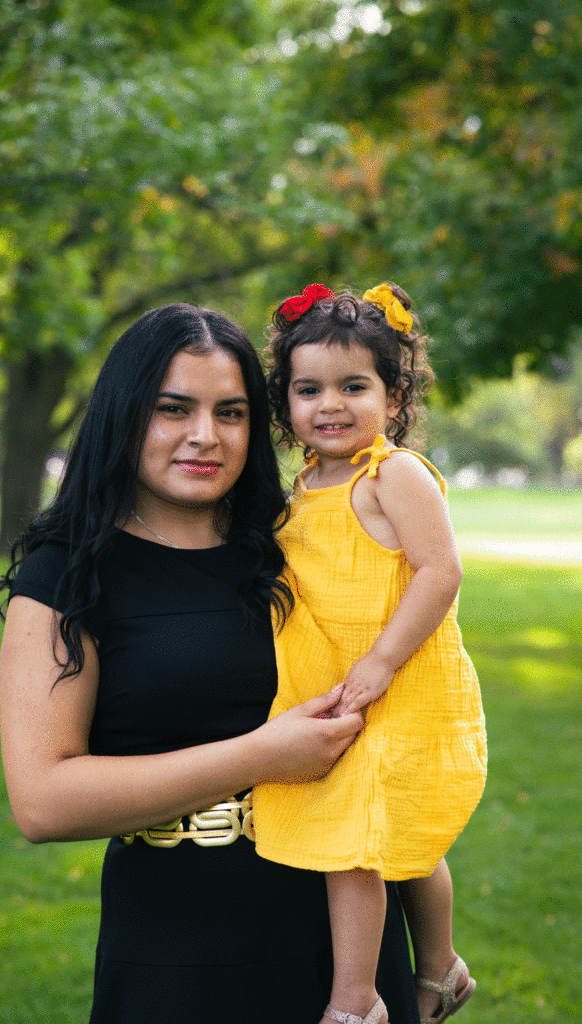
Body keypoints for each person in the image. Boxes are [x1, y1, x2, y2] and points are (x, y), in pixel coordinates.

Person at [0, 302, 421, 1024]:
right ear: (124, 415)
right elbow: (42, 801)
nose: (204, 436)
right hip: (179, 941)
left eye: (231, 412)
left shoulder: (297, 546)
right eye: (173, 408)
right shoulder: (67, 575)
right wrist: (259, 756)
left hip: (347, 935)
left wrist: (432, 954)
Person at [252, 284, 488, 1024]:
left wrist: (382, 661)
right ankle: (443, 968)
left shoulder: (393, 474)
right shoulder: (302, 488)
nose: (330, 404)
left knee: (357, 843)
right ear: (285, 403)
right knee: (391, 832)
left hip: (401, 681)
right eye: (308, 389)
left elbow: (439, 571)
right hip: (338, 686)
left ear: (394, 396)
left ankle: (356, 1001)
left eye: (353, 386)